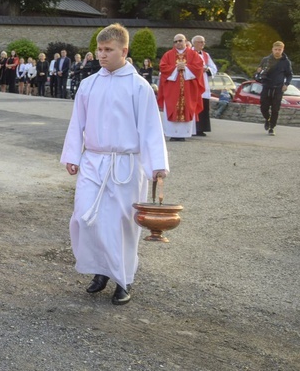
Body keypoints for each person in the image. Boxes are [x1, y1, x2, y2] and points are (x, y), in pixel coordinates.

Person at [61, 23, 169, 306]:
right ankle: (100, 271)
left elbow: (150, 128)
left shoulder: (139, 86)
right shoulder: (89, 84)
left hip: (125, 166)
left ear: (124, 50)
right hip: (94, 161)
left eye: (108, 50)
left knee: (121, 224)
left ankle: (123, 279)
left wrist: (157, 166)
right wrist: (72, 155)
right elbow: (77, 123)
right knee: (85, 216)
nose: (102, 55)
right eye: (99, 49)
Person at [156, 34, 204, 142]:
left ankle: (183, 134)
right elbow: (163, 67)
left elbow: (199, 67)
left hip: (188, 89)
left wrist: (186, 67)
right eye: (175, 41)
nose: (178, 43)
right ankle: (172, 134)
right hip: (172, 89)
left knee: (187, 107)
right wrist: (175, 68)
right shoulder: (168, 55)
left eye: (180, 40)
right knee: (172, 107)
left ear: (185, 41)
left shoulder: (193, 54)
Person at [256, 41, 294, 136]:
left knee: (275, 109)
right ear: (272, 49)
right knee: (263, 107)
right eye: (276, 49)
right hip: (266, 86)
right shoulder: (265, 60)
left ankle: (271, 128)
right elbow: (258, 73)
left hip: (278, 88)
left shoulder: (286, 62)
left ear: (282, 50)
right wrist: (258, 72)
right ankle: (268, 119)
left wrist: (286, 84)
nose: (277, 51)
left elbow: (289, 75)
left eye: (279, 50)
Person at [191, 36, 218, 137]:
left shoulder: (206, 55)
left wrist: (207, 69)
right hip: (193, 82)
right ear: (194, 43)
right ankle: (193, 128)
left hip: (204, 82)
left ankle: (201, 128)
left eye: (203, 42)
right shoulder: (189, 53)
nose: (202, 44)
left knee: (203, 106)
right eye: (200, 42)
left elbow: (213, 67)